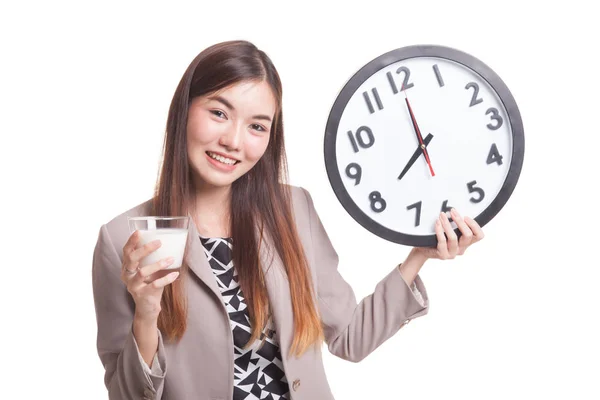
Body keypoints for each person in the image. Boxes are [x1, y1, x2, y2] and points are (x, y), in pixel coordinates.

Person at [91, 40, 484, 400]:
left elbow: (350, 338)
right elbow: (128, 396)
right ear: (184, 110)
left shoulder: (293, 209)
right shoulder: (124, 238)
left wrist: (417, 256)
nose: (233, 141)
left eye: (257, 126)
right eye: (218, 112)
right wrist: (146, 311)